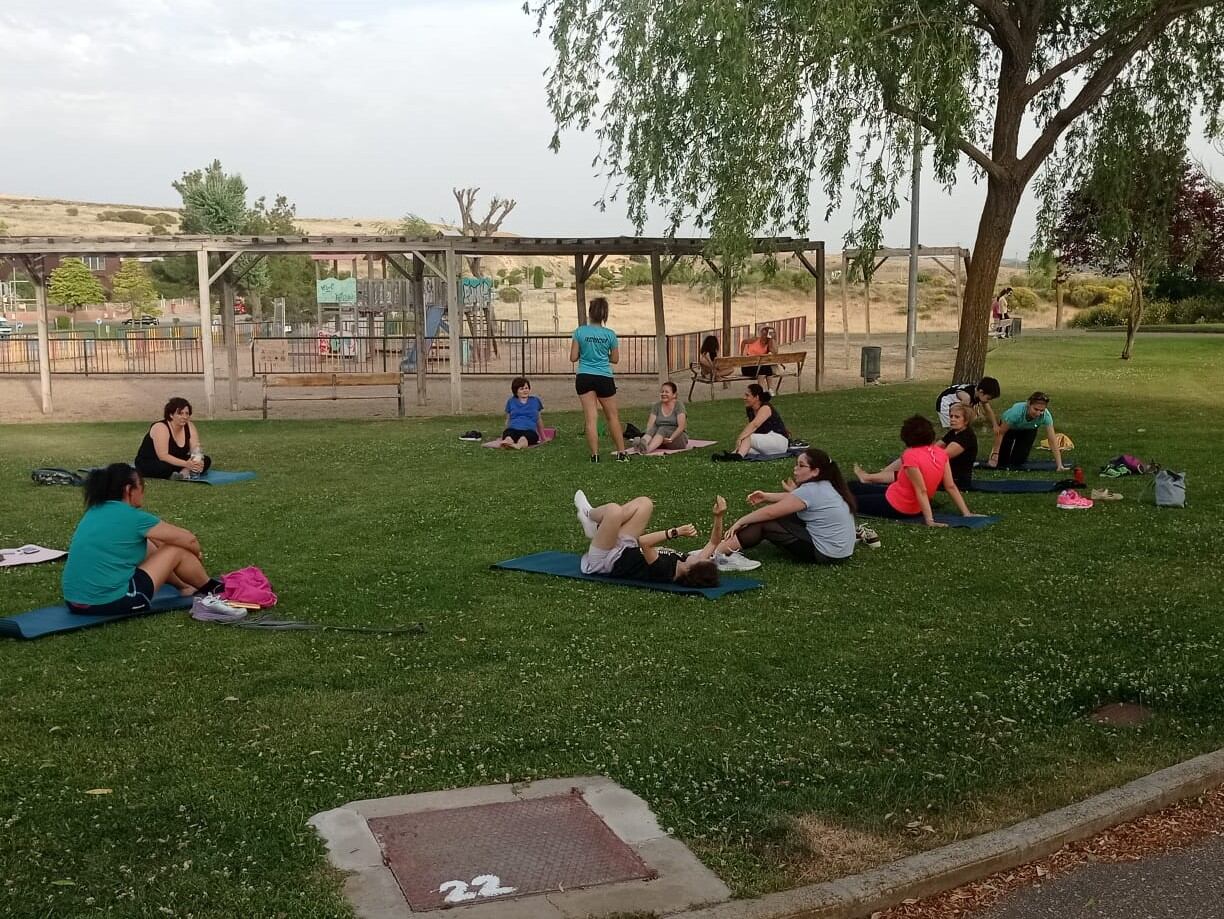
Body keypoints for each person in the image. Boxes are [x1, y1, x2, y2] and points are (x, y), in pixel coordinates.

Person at [61, 463, 242, 617]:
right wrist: (196, 555)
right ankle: (212, 589)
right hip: (114, 602)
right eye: (142, 486)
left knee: (148, 543)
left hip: (75, 603)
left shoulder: (94, 511)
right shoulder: (134, 517)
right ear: (128, 490)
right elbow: (189, 539)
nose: (143, 492)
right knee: (175, 550)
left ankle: (184, 586)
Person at [715, 448, 862, 568]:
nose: (795, 469)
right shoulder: (827, 485)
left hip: (826, 554)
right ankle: (723, 548)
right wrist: (767, 496)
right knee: (783, 516)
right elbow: (796, 500)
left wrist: (741, 521)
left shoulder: (811, 489)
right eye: (796, 464)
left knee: (764, 522)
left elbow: (770, 512)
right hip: (841, 553)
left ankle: (715, 554)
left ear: (815, 471)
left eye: (801, 466)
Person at [573, 489, 723, 587]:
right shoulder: (687, 562)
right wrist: (719, 516)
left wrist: (674, 532)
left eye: (701, 559)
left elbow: (644, 542)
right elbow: (714, 542)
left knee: (614, 511)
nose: (703, 556)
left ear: (689, 569)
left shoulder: (665, 572)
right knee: (645, 503)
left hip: (605, 560)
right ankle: (596, 526)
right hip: (624, 548)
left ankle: (589, 515)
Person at [849, 415, 978, 527]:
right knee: (852, 486)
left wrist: (929, 520)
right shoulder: (940, 453)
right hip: (898, 495)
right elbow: (950, 486)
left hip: (899, 506)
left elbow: (921, 490)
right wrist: (966, 513)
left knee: (848, 499)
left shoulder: (910, 455)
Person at [854, 402, 979, 493]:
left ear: (966, 420)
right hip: (942, 472)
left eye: (957, 417)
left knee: (909, 472)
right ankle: (879, 476)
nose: (952, 419)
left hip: (956, 479)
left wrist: (920, 458)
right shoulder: (954, 432)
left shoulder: (965, 437)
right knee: (906, 458)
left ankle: (869, 478)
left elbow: (941, 456)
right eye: (951, 416)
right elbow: (934, 447)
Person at [570, 297, 629, 462]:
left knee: (591, 418)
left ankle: (594, 455)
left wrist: (586, 354)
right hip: (604, 376)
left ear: (590, 313)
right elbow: (615, 359)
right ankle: (622, 453)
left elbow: (573, 357)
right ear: (605, 315)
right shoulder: (610, 334)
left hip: (584, 376)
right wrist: (602, 356)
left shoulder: (580, 332)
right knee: (612, 416)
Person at [135, 397, 210, 480]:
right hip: (152, 461)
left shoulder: (190, 426)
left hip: (176, 461)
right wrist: (186, 464)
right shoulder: (161, 427)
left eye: (187, 413)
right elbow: (163, 456)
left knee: (206, 460)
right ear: (171, 415)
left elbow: (195, 449)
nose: (184, 417)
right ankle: (181, 471)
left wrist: (198, 460)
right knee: (164, 467)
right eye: (180, 413)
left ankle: (182, 474)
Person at [989, 391, 1068, 470]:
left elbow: (1052, 439)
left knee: (1017, 462)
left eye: (1041, 410)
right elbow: (1001, 433)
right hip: (1010, 429)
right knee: (1002, 461)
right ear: (1028, 404)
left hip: (1028, 430)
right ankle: (997, 454)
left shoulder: (1046, 416)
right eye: (1035, 409)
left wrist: (1059, 464)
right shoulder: (1016, 412)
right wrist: (995, 453)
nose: (1038, 413)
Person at [712, 384, 791, 461]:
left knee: (748, 437)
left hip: (779, 441)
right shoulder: (750, 409)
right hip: (767, 442)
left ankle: (738, 457)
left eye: (747, 395)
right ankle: (730, 456)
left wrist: (740, 438)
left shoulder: (765, 407)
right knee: (746, 448)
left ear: (756, 397)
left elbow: (754, 425)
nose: (744, 398)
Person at [632, 382, 689, 454]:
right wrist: (649, 434)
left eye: (666, 392)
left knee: (663, 429)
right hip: (660, 438)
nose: (663, 394)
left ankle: (647, 449)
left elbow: (681, 427)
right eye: (662, 392)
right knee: (654, 427)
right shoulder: (656, 406)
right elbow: (650, 425)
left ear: (674, 395)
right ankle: (642, 443)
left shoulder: (679, 406)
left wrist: (670, 439)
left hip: (677, 438)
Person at [935, 376, 1001, 429]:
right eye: (988, 398)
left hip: (954, 405)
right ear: (981, 392)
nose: (988, 401)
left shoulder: (978, 394)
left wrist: (995, 425)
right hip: (944, 404)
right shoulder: (966, 397)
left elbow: (988, 410)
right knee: (953, 427)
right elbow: (957, 409)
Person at [499, 377, 545, 449]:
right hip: (513, 429)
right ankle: (507, 442)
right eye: (521, 389)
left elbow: (539, 419)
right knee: (508, 436)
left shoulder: (535, 400)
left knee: (524, 439)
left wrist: (543, 437)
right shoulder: (511, 401)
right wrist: (502, 436)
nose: (525, 391)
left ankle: (518, 445)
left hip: (529, 431)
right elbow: (508, 420)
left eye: (526, 388)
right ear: (516, 391)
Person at [739, 326, 778, 391]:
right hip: (748, 366)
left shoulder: (768, 344)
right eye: (762, 334)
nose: (763, 336)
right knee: (764, 368)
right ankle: (761, 390)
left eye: (765, 334)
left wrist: (772, 340)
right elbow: (744, 342)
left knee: (767, 367)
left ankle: (770, 390)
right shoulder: (755, 339)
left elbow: (775, 352)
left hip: (759, 366)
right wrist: (742, 354)